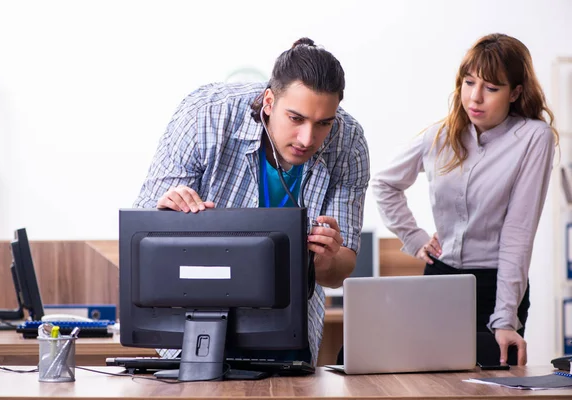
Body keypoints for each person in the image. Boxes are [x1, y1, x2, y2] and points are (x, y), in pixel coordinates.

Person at [134, 37, 370, 366]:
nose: (307, 139)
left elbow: (337, 273)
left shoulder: (349, 143)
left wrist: (327, 256)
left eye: (323, 124)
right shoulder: (207, 116)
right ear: (269, 102)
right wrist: (168, 216)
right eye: (296, 118)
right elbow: (142, 242)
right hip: (197, 329)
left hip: (288, 336)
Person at [371, 33, 558, 366]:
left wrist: (504, 318)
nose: (475, 97)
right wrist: (413, 238)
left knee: (494, 385)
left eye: (491, 87)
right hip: (440, 281)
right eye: (469, 82)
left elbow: (518, 233)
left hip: (497, 285)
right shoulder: (440, 136)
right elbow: (385, 184)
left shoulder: (533, 138)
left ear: (514, 93)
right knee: (432, 382)